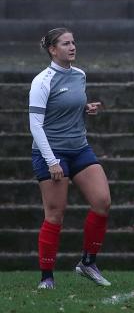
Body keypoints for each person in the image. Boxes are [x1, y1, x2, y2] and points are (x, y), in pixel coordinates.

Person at [29, 28, 111, 289]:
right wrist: (52, 161)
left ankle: (87, 263)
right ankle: (47, 278)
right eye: (66, 44)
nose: (72, 47)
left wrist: (86, 108)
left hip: (79, 149)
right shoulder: (42, 81)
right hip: (51, 152)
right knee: (55, 214)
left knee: (102, 201)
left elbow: (68, 106)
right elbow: (35, 125)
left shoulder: (79, 75)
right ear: (53, 50)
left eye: (73, 42)